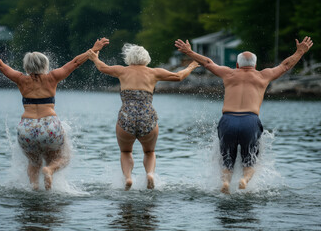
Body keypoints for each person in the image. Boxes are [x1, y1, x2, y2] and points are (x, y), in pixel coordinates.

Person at [175, 36, 313, 194]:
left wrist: (189, 51)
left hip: (228, 120)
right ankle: (244, 180)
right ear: (255, 65)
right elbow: (285, 65)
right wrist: (300, 52)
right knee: (250, 162)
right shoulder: (263, 75)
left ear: (237, 64)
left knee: (227, 161)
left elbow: (207, 62)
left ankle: (226, 183)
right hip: (250, 121)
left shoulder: (229, 73)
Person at [0, 38, 109, 190]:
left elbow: (1, 66)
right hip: (49, 126)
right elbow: (76, 62)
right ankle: (50, 170)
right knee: (64, 157)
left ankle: (35, 188)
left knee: (34, 162)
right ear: (45, 65)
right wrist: (93, 50)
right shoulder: (52, 77)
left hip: (27, 128)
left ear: (26, 66)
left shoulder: (21, 79)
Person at [87, 43, 199, 190]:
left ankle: (128, 178)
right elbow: (178, 76)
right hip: (148, 116)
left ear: (129, 58)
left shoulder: (122, 71)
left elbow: (103, 68)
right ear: (146, 58)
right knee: (149, 151)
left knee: (126, 151)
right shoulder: (154, 72)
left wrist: (95, 58)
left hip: (126, 116)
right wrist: (191, 66)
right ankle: (150, 175)